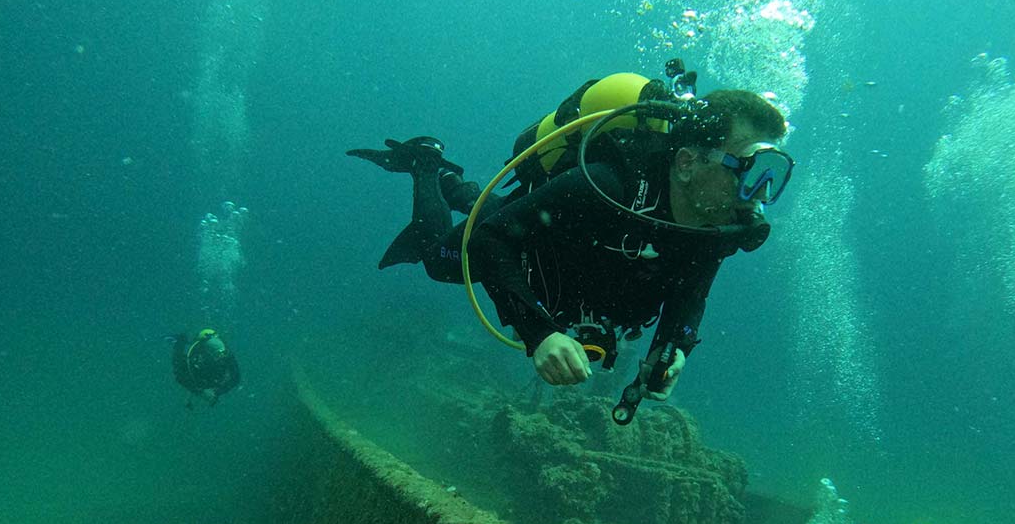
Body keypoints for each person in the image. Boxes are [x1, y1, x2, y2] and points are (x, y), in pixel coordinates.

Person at [347, 71, 792, 417]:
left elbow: (692, 291)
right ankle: (428, 166)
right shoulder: (608, 184)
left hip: (552, 235)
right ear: (688, 162)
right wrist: (538, 333)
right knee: (438, 261)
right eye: (749, 168)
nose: (758, 194)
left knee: (501, 210)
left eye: (771, 173)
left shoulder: (715, 227)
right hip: (526, 246)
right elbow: (492, 238)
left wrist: (672, 349)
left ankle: (463, 189)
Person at [170, 328, 240, 407]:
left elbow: (179, 374)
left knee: (179, 363)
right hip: (208, 381)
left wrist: (214, 392)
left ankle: (180, 341)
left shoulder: (197, 356)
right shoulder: (224, 355)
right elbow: (235, 377)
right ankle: (180, 341)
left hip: (205, 381)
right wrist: (212, 392)